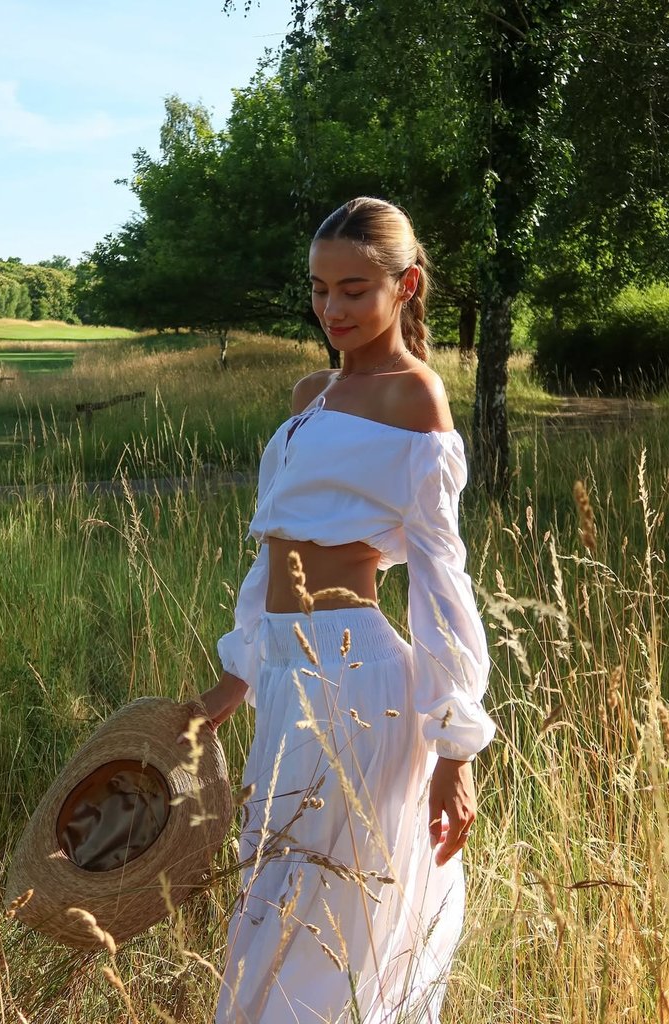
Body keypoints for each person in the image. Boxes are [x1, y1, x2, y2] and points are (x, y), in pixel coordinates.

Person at [191, 197, 495, 1023]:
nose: (332, 309)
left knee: (329, 918)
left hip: (358, 681)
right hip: (285, 675)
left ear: (406, 287)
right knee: (270, 904)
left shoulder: (414, 398)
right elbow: (272, 552)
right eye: (320, 289)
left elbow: (440, 577)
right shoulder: (310, 395)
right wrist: (234, 679)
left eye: (354, 289)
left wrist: (454, 747)